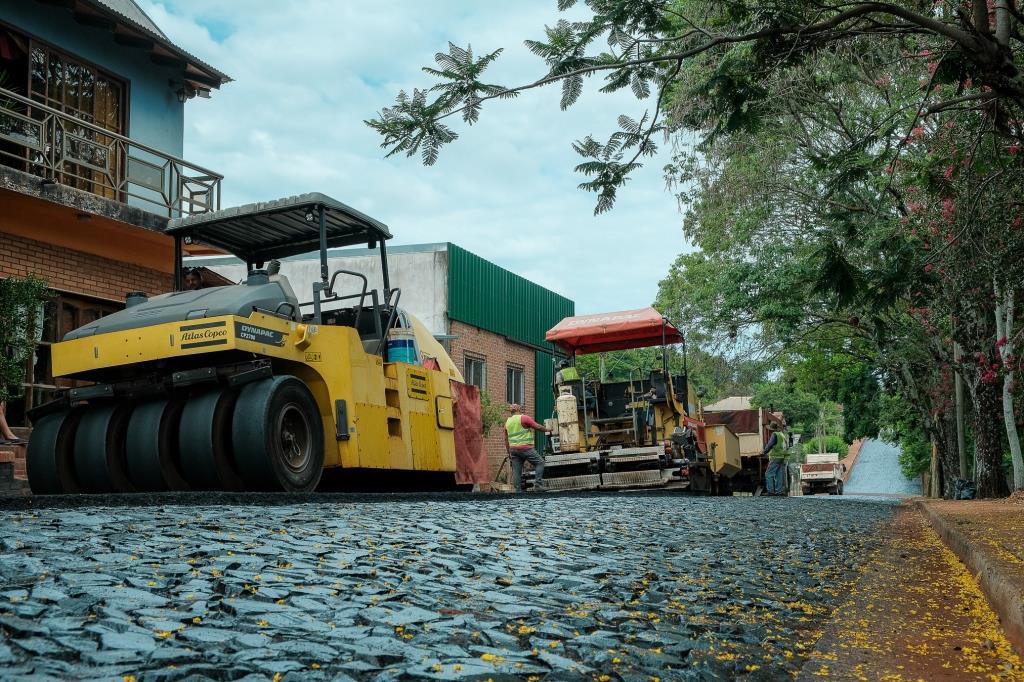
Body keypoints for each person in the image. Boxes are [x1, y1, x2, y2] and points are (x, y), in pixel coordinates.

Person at [504, 403, 552, 492]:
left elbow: (506, 439)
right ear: (519, 409)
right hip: (525, 448)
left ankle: (517, 491)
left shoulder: (507, 422)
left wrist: (509, 452)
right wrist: (548, 429)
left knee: (516, 471)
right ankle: (538, 485)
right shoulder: (524, 418)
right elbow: (537, 426)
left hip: (513, 450)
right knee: (540, 462)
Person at [762, 422, 788, 496]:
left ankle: (770, 491)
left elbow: (770, 444)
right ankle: (779, 491)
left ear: (772, 429)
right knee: (778, 474)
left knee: (768, 474)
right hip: (782, 457)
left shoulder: (774, 434)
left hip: (775, 457)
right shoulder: (782, 435)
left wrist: (764, 451)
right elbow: (786, 446)